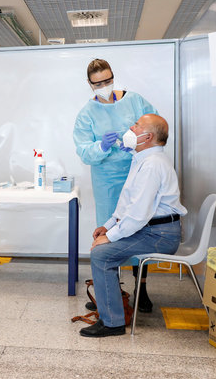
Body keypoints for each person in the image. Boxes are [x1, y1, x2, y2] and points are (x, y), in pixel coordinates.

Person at [79, 114, 187, 338]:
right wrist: (108, 226)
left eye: (137, 125)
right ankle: (111, 307)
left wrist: (110, 237)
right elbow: (127, 202)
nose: (131, 127)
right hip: (154, 229)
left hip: (160, 234)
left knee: (101, 254)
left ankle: (112, 323)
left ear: (147, 136)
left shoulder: (152, 165)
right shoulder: (143, 159)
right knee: (102, 249)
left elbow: (138, 215)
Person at [73, 59, 159, 310]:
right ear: (89, 84)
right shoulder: (86, 114)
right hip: (107, 181)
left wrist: (135, 143)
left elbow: (155, 129)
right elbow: (84, 152)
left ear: (113, 77)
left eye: (108, 81)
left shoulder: (135, 102)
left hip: (139, 174)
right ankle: (113, 293)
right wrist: (101, 145)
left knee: (139, 230)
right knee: (111, 235)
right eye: (98, 83)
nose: (104, 86)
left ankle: (141, 290)